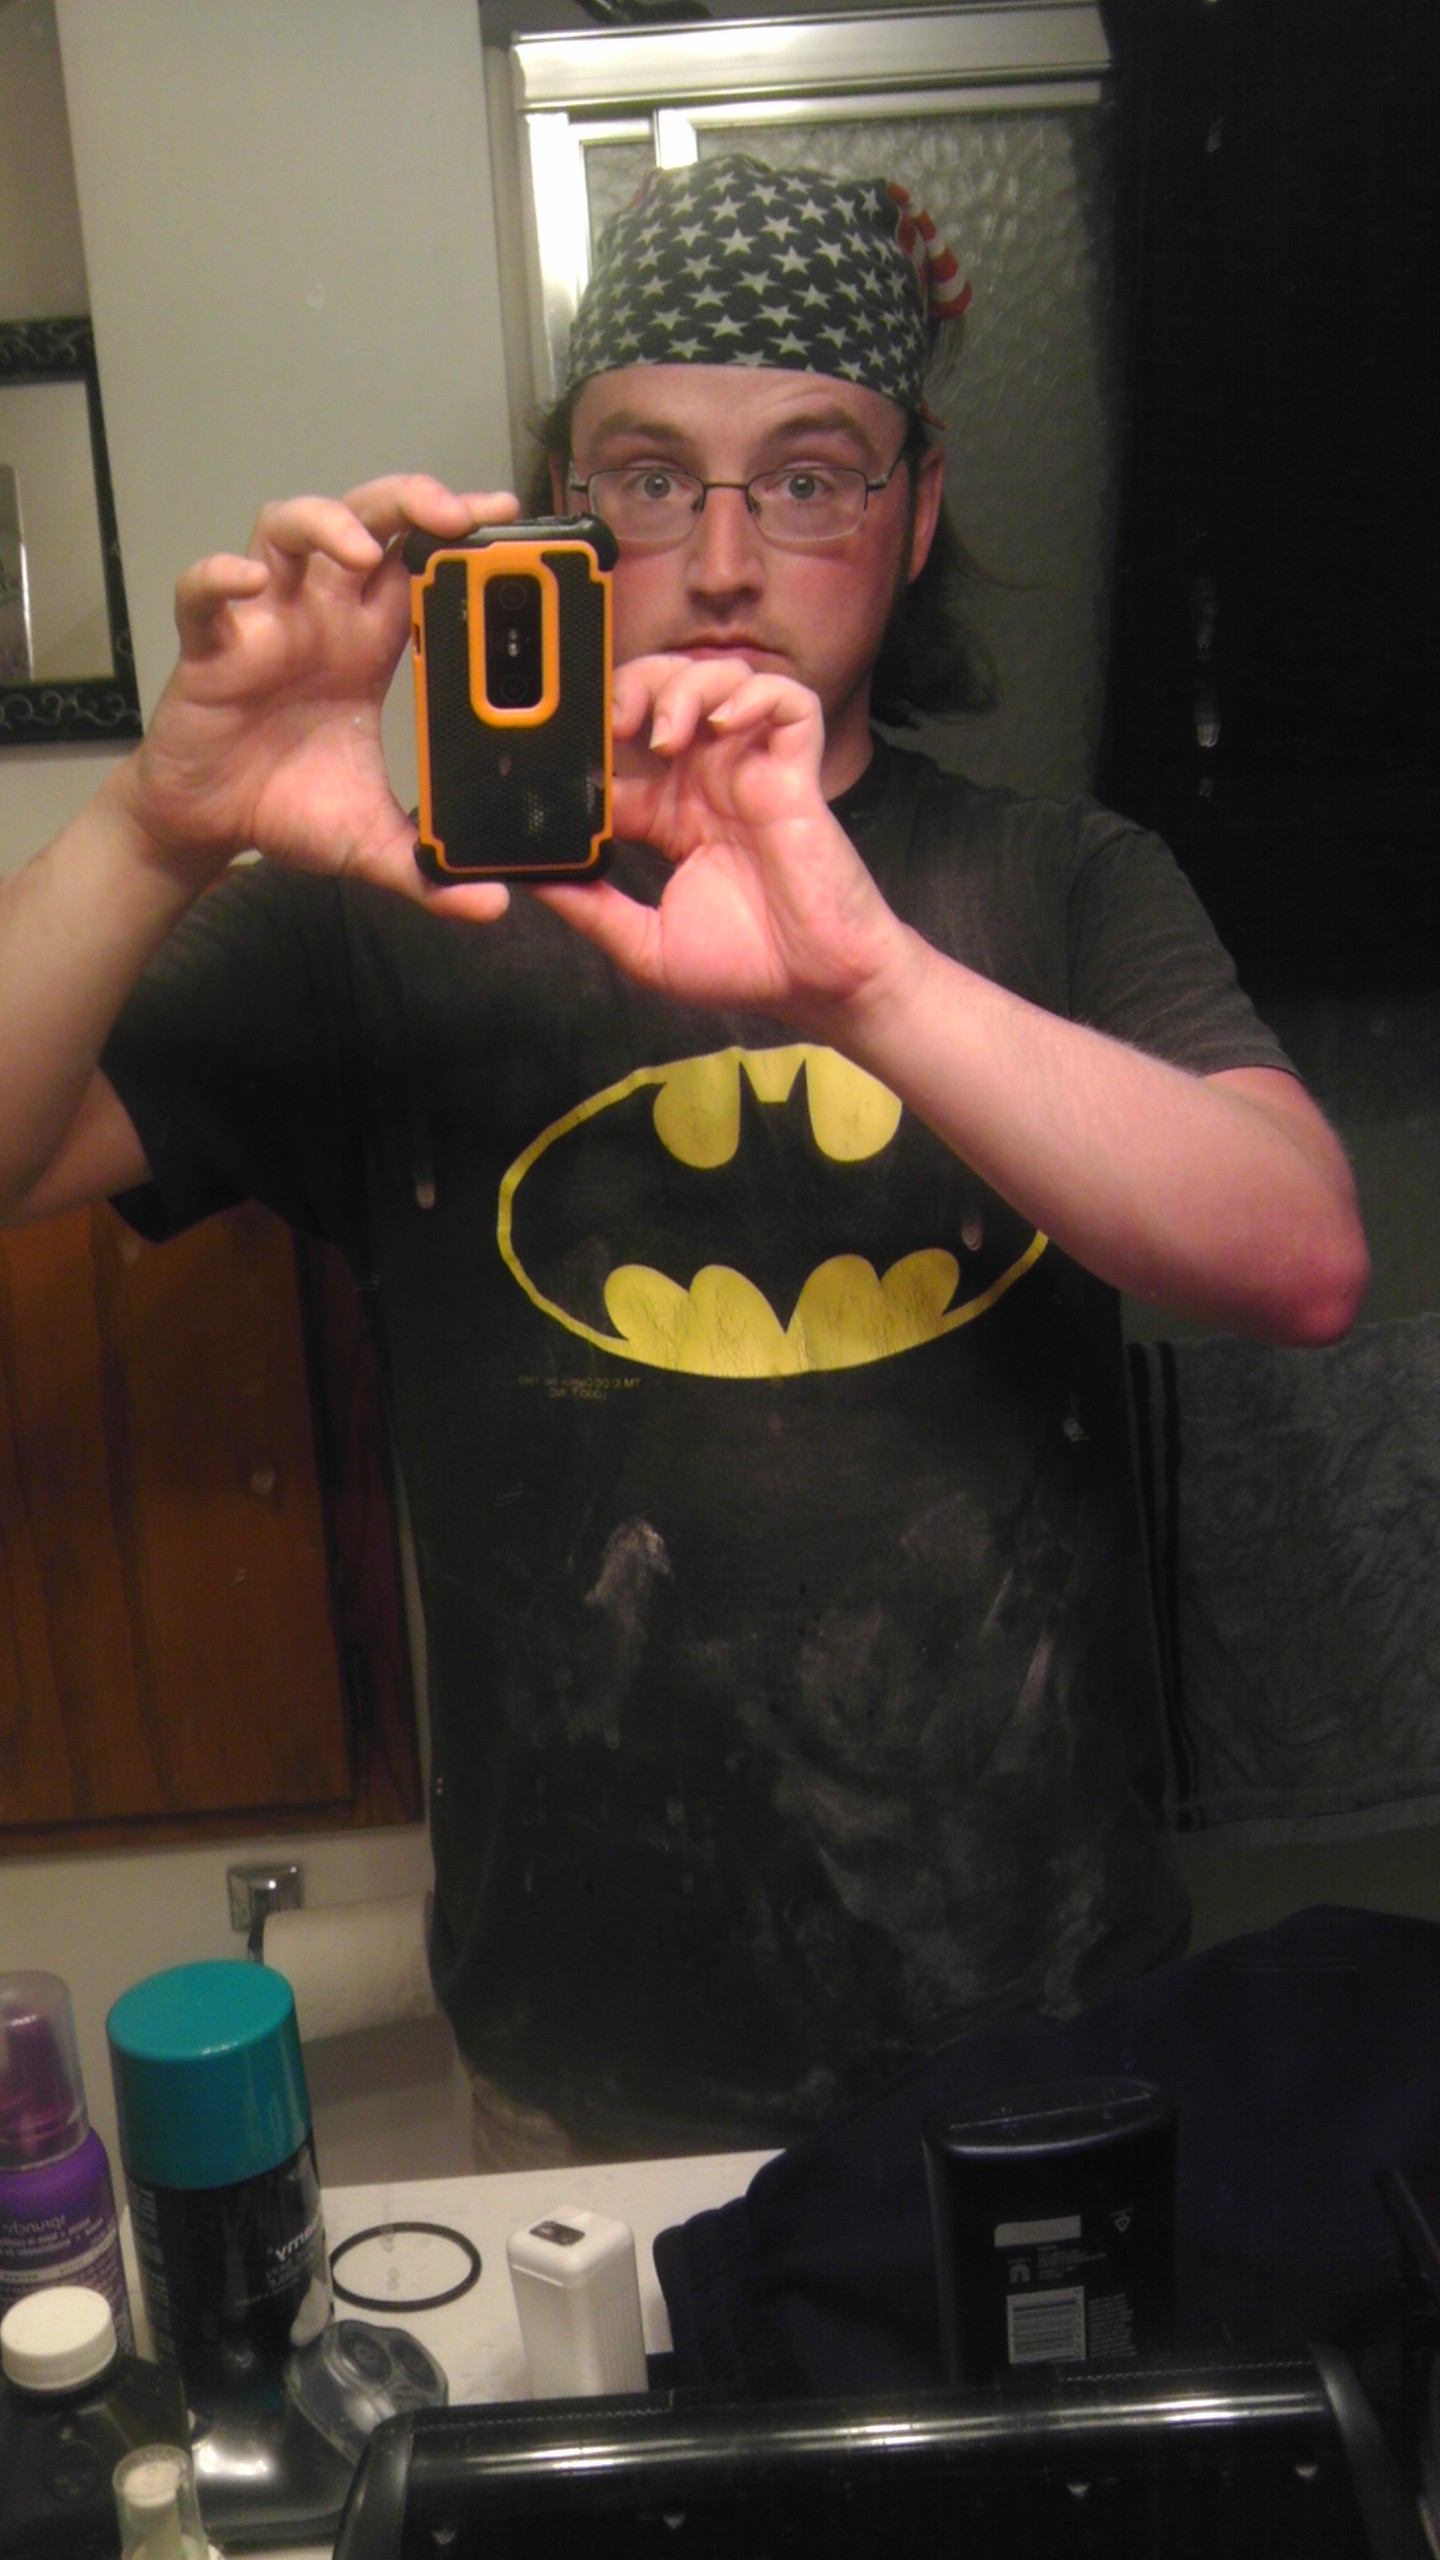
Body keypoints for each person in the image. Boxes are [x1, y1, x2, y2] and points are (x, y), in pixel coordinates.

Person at [0, 157, 1367, 2166]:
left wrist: (869, 978)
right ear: (567, 504)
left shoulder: (1062, 882)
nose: (725, 561)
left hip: (1049, 2022)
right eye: (652, 478)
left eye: (808, 477)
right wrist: (159, 820)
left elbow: (1303, 1255)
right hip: (584, 2067)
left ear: (914, 513)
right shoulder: (394, 914)